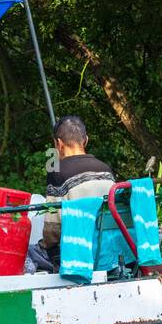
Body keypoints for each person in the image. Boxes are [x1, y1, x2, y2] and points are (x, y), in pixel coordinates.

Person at [27, 114, 115, 273]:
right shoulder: (106, 170)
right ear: (86, 140)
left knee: (30, 252)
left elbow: (52, 229)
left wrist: (45, 245)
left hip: (75, 254)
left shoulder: (57, 172)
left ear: (59, 144)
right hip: (107, 253)